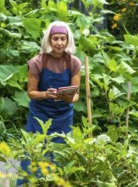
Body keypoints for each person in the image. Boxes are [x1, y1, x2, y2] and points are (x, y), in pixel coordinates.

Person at [16, 21, 81, 186]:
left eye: (63, 39)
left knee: (60, 156)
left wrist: (68, 98)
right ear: (49, 41)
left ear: (68, 41)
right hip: (40, 116)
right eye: (55, 39)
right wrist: (45, 94)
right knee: (35, 154)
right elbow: (31, 93)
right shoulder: (37, 62)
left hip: (63, 117)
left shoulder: (73, 63)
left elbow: (76, 95)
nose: (59, 43)